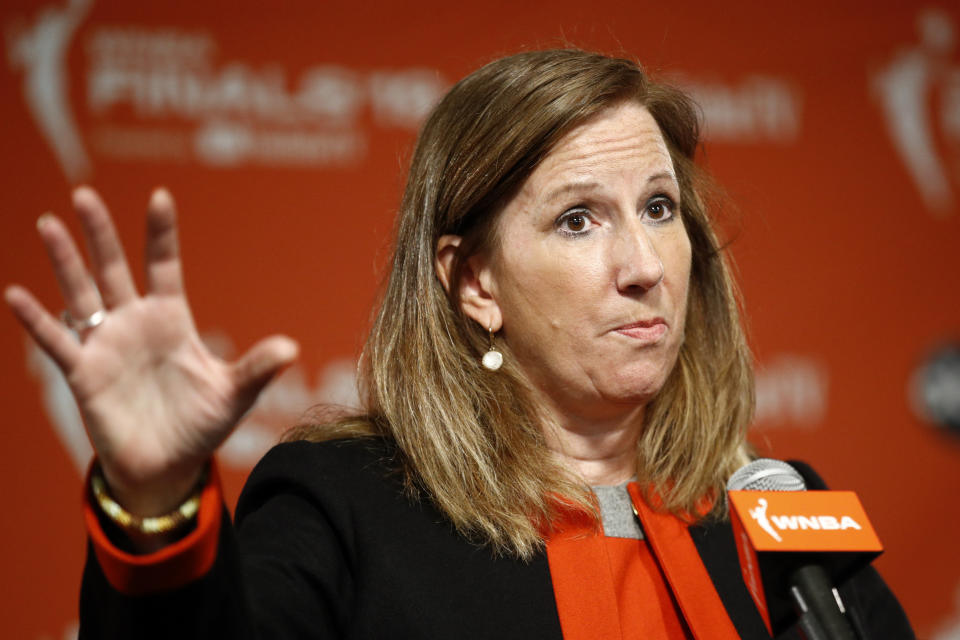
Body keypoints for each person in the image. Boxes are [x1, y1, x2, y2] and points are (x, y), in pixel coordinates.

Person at [5, 49, 913, 639]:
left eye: (660, 208)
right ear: (474, 283)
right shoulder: (345, 507)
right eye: (578, 219)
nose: (644, 265)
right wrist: (154, 502)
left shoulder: (782, 509)